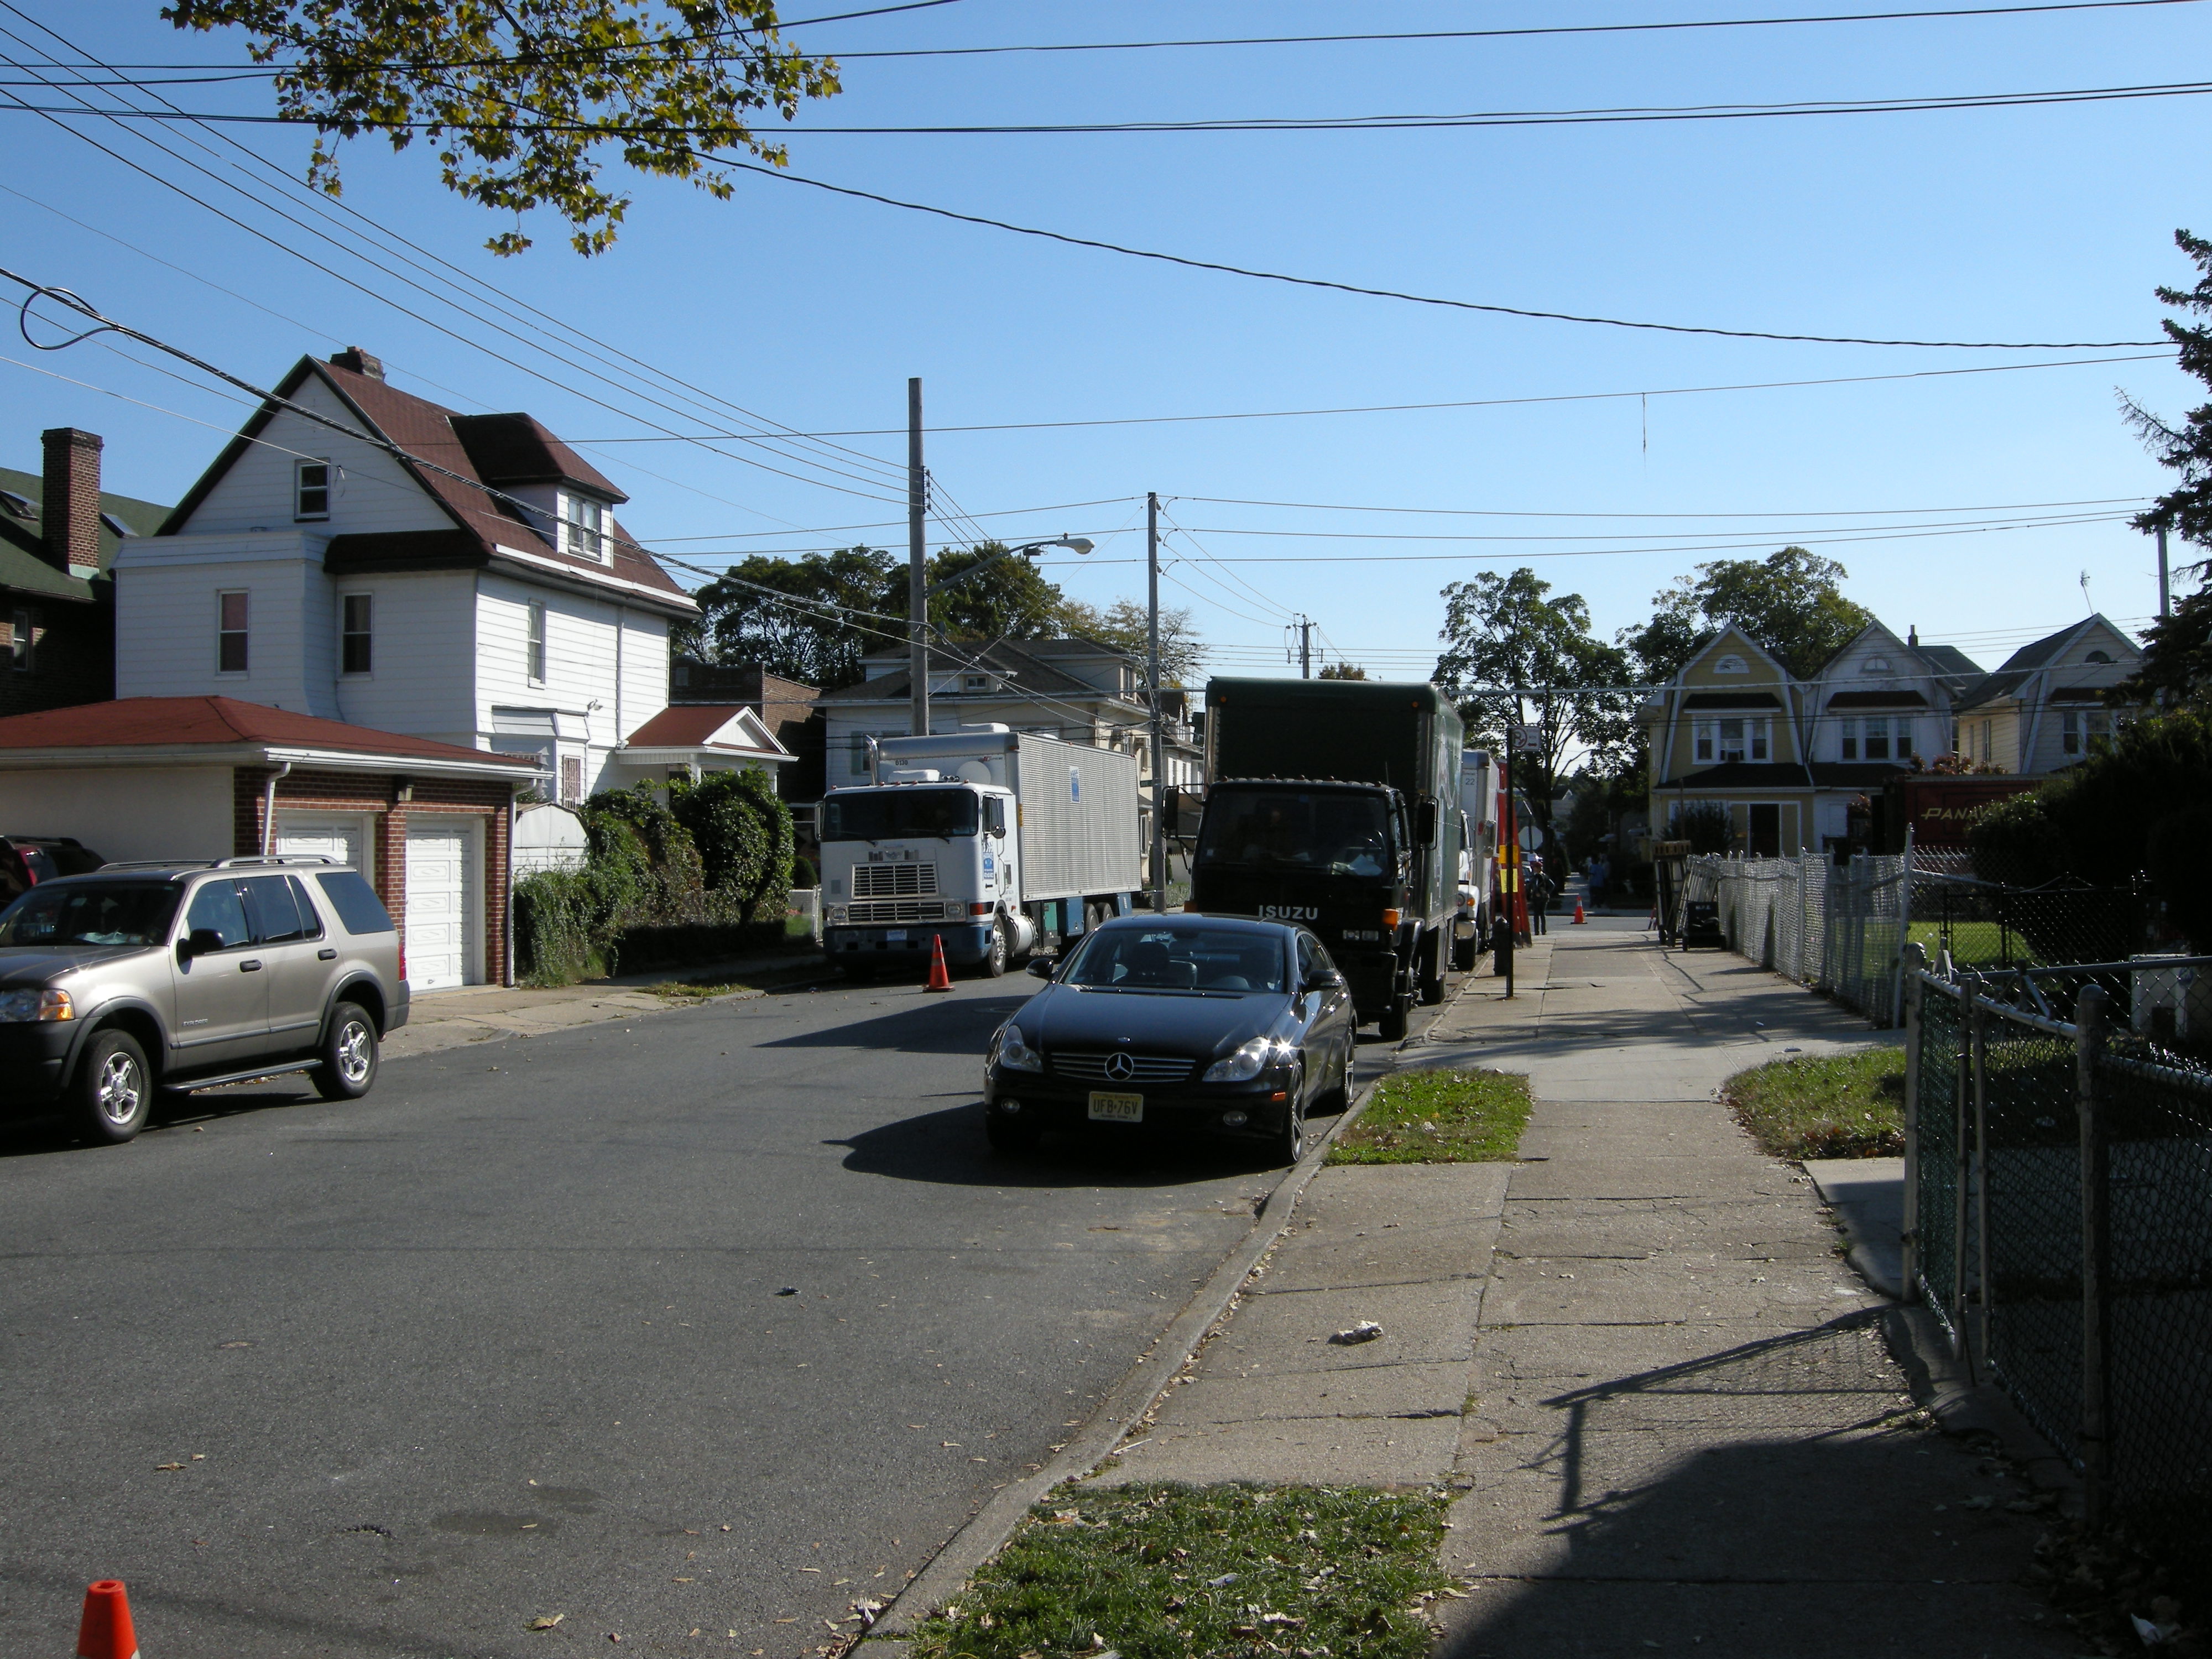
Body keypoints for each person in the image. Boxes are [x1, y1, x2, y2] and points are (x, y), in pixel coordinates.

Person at [1528, 857, 1553, 935]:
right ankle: (1544, 930)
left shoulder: (1536, 877)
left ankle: (1537, 931)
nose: (1534, 869)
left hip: (1537, 898)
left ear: (1537, 868)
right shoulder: (1545, 876)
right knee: (1543, 914)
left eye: (1534, 868)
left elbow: (1535, 885)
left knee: (1536, 914)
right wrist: (1547, 893)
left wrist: (1535, 892)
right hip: (1545, 897)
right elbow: (1552, 885)